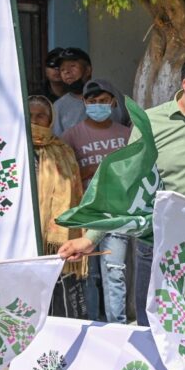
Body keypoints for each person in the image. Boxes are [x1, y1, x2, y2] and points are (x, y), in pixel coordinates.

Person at [59, 48, 185, 328]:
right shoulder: (151, 124)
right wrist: (90, 239)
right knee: (154, 333)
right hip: (156, 246)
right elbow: (125, 187)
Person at [61, 80, 132, 324]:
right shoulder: (71, 135)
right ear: (84, 103)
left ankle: (117, 326)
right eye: (92, 102)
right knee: (89, 274)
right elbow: (65, 176)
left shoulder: (127, 135)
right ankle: (91, 323)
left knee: (115, 271)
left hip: (118, 213)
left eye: (103, 101)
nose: (97, 105)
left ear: (113, 102)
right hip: (88, 212)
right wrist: (90, 170)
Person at [28, 95, 89, 319]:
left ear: (51, 119)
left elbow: (74, 193)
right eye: (30, 115)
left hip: (56, 239)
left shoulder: (62, 150)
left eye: (40, 116)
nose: (34, 120)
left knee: (57, 294)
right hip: (24, 234)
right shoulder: (12, 151)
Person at [50, 48, 128, 136]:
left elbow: (130, 126)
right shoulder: (58, 107)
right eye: (62, 69)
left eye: (72, 66)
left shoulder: (111, 93)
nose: (66, 72)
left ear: (88, 70)